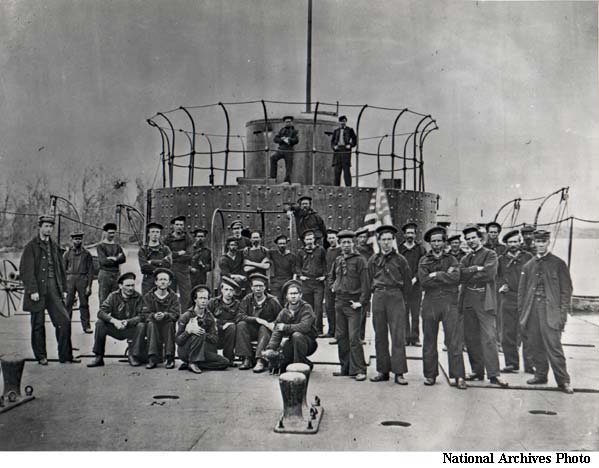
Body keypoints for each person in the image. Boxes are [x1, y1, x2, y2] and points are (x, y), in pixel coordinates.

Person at [518, 230, 574, 394]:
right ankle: (540, 375)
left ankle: (563, 381)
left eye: (543, 241)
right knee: (535, 344)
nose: (540, 245)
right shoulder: (528, 266)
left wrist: (562, 314)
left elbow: (566, 291)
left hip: (551, 312)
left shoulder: (558, 263)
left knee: (554, 347)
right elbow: (522, 293)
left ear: (548, 242)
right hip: (532, 311)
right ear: (534, 243)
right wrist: (523, 315)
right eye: (538, 242)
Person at [19, 215, 78, 365]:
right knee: (38, 324)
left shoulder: (54, 246)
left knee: (64, 321)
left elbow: (60, 269)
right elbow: (26, 270)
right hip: (38, 290)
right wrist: (33, 290)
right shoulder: (31, 247)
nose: (48, 229)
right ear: (39, 227)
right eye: (45, 226)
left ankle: (65, 356)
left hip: (53, 289)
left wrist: (63, 289)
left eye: (50, 226)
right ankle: (41, 356)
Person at [458, 224, 508, 387]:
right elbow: (460, 275)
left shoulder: (490, 254)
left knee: (489, 337)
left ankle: (494, 374)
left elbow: (488, 274)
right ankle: (477, 371)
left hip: (484, 300)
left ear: (480, 238)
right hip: (468, 300)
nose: (471, 241)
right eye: (468, 239)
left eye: (473, 237)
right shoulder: (465, 258)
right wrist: (475, 269)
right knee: (471, 337)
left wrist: (470, 273)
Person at [418, 226, 466, 390]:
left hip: (449, 302)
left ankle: (458, 376)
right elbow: (424, 281)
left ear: (444, 242)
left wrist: (436, 275)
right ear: (430, 243)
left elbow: (456, 277)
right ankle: (430, 375)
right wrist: (444, 275)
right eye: (433, 241)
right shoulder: (424, 260)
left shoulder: (452, 260)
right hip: (430, 302)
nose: (436, 244)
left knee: (454, 340)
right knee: (429, 340)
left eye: (439, 240)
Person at [367, 225, 411, 385]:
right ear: (378, 241)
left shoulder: (400, 260)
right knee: (380, 334)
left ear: (393, 241)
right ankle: (382, 370)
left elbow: (407, 282)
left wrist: (402, 299)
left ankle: (399, 372)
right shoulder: (373, 259)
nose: (386, 243)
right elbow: (369, 278)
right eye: (383, 239)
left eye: (389, 239)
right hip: (379, 296)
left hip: (395, 297)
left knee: (398, 335)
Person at [330, 230, 369, 381]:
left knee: (354, 338)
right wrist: (333, 286)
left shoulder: (360, 260)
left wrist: (361, 302)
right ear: (340, 245)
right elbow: (331, 276)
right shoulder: (338, 260)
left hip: (353, 305)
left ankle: (360, 369)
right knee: (341, 337)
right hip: (339, 302)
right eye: (343, 242)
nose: (346, 245)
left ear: (353, 244)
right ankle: (345, 368)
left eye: (348, 242)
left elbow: (366, 284)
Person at [87, 272, 147, 367]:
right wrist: (114, 321)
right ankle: (98, 356)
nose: (131, 288)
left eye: (132, 285)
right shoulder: (113, 296)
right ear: (120, 286)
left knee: (141, 325)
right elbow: (101, 312)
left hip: (130, 328)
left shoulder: (138, 297)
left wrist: (128, 322)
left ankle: (133, 355)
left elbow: (142, 315)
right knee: (100, 323)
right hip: (115, 327)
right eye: (127, 285)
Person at [497, 229, 533, 373]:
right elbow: (496, 276)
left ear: (520, 242)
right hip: (508, 298)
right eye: (510, 242)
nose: (513, 244)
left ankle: (530, 365)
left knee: (528, 332)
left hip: (525, 298)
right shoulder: (501, 259)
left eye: (515, 241)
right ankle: (511, 363)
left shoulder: (528, 257)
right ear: (506, 243)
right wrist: (501, 285)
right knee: (508, 332)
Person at [262, 280, 318, 371]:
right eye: (290, 294)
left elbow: (304, 327)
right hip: (291, 342)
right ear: (287, 296)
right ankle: (305, 363)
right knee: (279, 366)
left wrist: (285, 327)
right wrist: (270, 348)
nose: (293, 296)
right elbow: (277, 330)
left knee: (297, 335)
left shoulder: (306, 308)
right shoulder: (284, 312)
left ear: (300, 295)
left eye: (295, 293)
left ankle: (298, 367)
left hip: (308, 343)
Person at [176, 285, 230, 374]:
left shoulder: (210, 317)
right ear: (195, 299)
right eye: (201, 298)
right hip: (186, 351)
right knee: (197, 331)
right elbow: (178, 341)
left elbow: (215, 339)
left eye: (205, 298)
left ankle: (194, 364)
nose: (203, 301)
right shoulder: (186, 316)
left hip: (203, 351)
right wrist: (187, 332)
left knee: (224, 362)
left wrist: (205, 334)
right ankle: (193, 362)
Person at [236, 273, 282, 372]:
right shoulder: (247, 299)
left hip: (266, 332)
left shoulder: (273, 301)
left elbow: (281, 318)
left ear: (265, 287)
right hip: (251, 331)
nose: (258, 289)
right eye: (255, 286)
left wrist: (271, 324)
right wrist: (257, 319)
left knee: (263, 328)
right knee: (241, 324)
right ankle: (246, 358)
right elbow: (240, 316)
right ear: (251, 287)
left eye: (260, 286)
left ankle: (260, 360)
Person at [143, 268, 181, 370]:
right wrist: (153, 316)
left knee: (170, 324)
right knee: (151, 324)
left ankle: (169, 357)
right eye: (160, 279)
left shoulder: (173, 297)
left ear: (169, 283)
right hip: (154, 323)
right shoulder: (148, 296)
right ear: (156, 282)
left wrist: (165, 315)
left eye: (165, 280)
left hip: (166, 323)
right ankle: (152, 357)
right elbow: (144, 313)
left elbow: (176, 314)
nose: (163, 282)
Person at [398, 222, 427, 347]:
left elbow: (423, 266)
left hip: (416, 286)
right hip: (402, 286)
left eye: (412, 233)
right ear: (404, 235)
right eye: (408, 233)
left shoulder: (421, 249)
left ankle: (415, 337)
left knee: (415, 313)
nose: (410, 235)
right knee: (403, 312)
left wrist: (415, 278)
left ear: (415, 235)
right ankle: (405, 337)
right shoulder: (399, 249)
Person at [296, 230, 327, 336]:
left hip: (318, 282)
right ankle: (308, 328)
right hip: (306, 283)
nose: (309, 241)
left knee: (318, 307)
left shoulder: (321, 250)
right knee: (307, 307)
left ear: (314, 239)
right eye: (307, 239)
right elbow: (297, 266)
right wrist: (301, 276)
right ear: (304, 241)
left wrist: (324, 275)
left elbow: (325, 263)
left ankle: (318, 330)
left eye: (311, 238)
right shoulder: (300, 252)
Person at [63, 231, 94, 334]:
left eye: (79, 239)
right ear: (72, 240)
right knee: (68, 303)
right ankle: (66, 324)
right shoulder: (67, 254)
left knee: (84, 304)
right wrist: (64, 285)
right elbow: (63, 270)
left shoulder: (87, 254)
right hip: (70, 279)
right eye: (75, 239)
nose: (77, 241)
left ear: (82, 240)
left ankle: (86, 326)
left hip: (82, 279)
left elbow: (90, 271)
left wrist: (89, 286)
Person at [207, 276, 241, 365]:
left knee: (232, 327)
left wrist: (228, 324)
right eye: (226, 289)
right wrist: (220, 325)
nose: (228, 293)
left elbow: (238, 318)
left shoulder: (238, 304)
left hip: (229, 335)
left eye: (231, 290)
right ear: (221, 290)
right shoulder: (213, 302)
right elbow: (206, 317)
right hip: (214, 332)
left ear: (234, 292)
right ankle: (211, 357)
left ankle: (229, 358)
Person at [164, 215, 193, 309]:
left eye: (181, 225)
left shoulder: (188, 238)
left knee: (186, 294)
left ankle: (185, 314)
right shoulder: (167, 239)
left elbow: (189, 255)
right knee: (169, 292)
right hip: (170, 269)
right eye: (177, 224)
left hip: (183, 270)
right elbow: (164, 254)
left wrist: (173, 256)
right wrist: (178, 253)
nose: (179, 226)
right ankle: (171, 313)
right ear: (173, 226)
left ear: (184, 226)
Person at [138, 222, 172, 294]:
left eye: (157, 232)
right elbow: (144, 267)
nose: (155, 234)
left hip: (163, 282)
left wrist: (152, 262)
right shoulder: (143, 249)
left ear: (160, 234)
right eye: (152, 232)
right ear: (148, 234)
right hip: (148, 281)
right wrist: (161, 263)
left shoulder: (165, 249)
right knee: (147, 303)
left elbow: (168, 264)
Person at [97, 222, 126, 304]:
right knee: (104, 298)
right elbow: (104, 261)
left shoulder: (117, 246)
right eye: (110, 233)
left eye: (113, 233)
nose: (112, 235)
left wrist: (113, 258)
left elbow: (123, 259)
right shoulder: (101, 246)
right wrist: (117, 258)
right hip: (105, 274)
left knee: (116, 298)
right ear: (105, 233)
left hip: (116, 274)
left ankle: (114, 316)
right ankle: (103, 316)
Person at [355, 226, 374, 341]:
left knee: (363, 310)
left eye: (364, 237)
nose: (362, 239)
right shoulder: (354, 251)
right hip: (354, 283)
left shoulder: (370, 251)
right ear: (357, 239)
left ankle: (360, 336)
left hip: (366, 284)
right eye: (360, 237)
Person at [268, 234, 297, 305]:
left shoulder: (292, 256)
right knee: (275, 303)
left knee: (288, 303)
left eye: (284, 243)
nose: (282, 245)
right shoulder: (273, 253)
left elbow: (294, 272)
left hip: (287, 282)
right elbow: (263, 252)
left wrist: (293, 284)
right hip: (276, 282)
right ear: (277, 245)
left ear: (287, 244)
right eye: (280, 244)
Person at [269, 115, 299, 183]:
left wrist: (289, 140)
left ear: (291, 122)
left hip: (289, 150)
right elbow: (275, 139)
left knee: (289, 165)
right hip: (281, 149)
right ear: (284, 123)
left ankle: (287, 180)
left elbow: (296, 140)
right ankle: (273, 177)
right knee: (273, 157)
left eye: (289, 122)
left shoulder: (294, 131)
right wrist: (282, 140)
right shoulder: (281, 130)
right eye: (286, 122)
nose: (287, 123)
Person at [330, 115, 357, 186]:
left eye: (344, 121)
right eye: (341, 121)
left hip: (345, 151)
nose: (343, 123)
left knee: (346, 170)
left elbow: (355, 139)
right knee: (337, 171)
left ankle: (348, 187)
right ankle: (336, 187)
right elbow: (332, 141)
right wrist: (334, 147)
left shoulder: (350, 130)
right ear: (339, 122)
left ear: (346, 122)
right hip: (338, 151)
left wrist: (350, 145)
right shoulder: (336, 131)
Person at [325, 229, 342, 342]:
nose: (331, 240)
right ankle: (331, 330)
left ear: (337, 238)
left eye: (333, 238)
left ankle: (338, 332)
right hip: (329, 281)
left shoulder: (341, 250)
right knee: (329, 307)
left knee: (338, 308)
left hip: (339, 281)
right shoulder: (327, 251)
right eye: (329, 238)